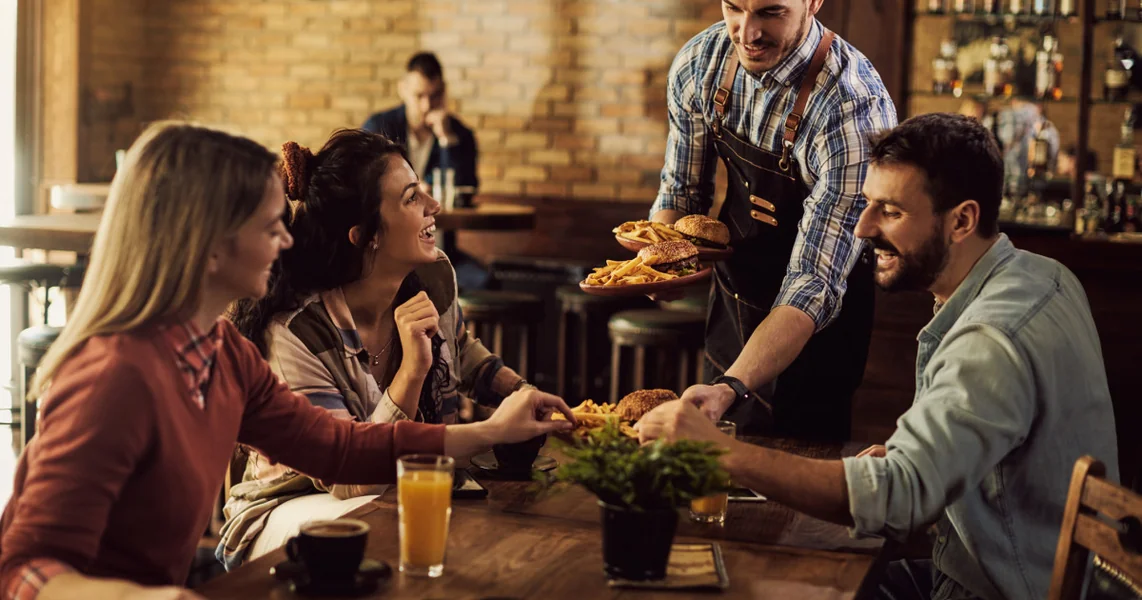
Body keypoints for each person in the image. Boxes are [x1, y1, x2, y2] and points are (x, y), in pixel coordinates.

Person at [0, 122, 574, 599]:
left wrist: (491, 430)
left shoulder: (222, 358)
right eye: (269, 224)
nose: (286, 239)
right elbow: (22, 571)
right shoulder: (113, 377)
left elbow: (343, 448)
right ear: (210, 244)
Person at [638, 113, 1119, 600]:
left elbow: (898, 500)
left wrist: (721, 452)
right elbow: (1007, 435)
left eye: (890, 211)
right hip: (1015, 573)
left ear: (961, 220)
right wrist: (922, 456)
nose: (864, 228)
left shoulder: (990, 340)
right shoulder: (1046, 277)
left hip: (992, 589)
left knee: (761, 587)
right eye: (867, 204)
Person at [219, 129, 537, 568]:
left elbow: (459, 349)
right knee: (379, 532)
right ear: (365, 234)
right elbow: (349, 478)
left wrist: (520, 393)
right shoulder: (297, 333)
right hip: (291, 506)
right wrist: (412, 373)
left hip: (393, 486)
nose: (434, 205)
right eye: (411, 198)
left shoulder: (433, 276)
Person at [651, 0, 898, 439]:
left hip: (816, 343)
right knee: (716, 481)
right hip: (735, 308)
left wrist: (731, 386)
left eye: (770, 12)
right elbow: (682, 194)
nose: (747, 32)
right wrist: (659, 262)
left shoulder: (852, 107)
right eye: (734, 8)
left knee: (790, 487)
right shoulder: (702, 62)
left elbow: (813, 282)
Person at [361, 52, 478, 192]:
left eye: (434, 96)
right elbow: (365, 180)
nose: (426, 106)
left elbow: (464, 188)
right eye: (419, 95)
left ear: (444, 91)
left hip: (439, 213)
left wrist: (446, 139)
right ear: (402, 89)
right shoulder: (379, 127)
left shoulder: (460, 135)